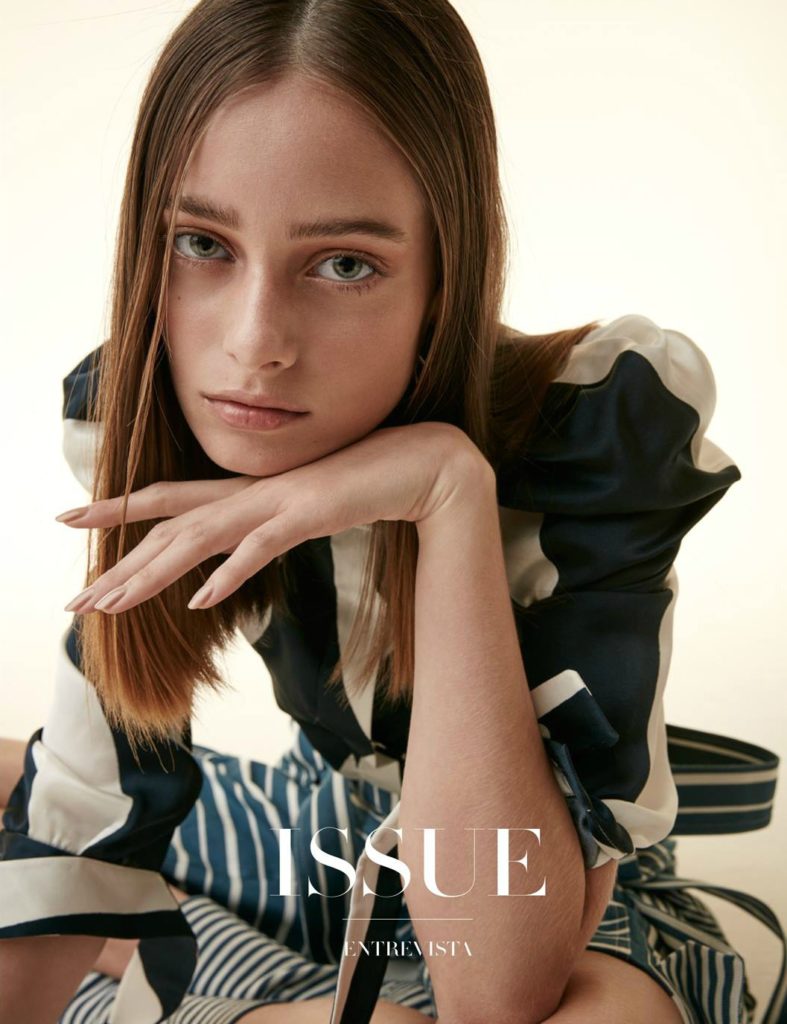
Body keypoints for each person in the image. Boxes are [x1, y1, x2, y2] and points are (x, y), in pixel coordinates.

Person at [0, 1, 781, 1023]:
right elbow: (77, 818)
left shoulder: (587, 441)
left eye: (345, 264)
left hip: (545, 886)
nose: (254, 342)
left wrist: (447, 492)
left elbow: (498, 989)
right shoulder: (146, 418)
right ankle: (229, 969)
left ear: (445, 278)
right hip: (320, 835)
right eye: (202, 243)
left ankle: (211, 974)